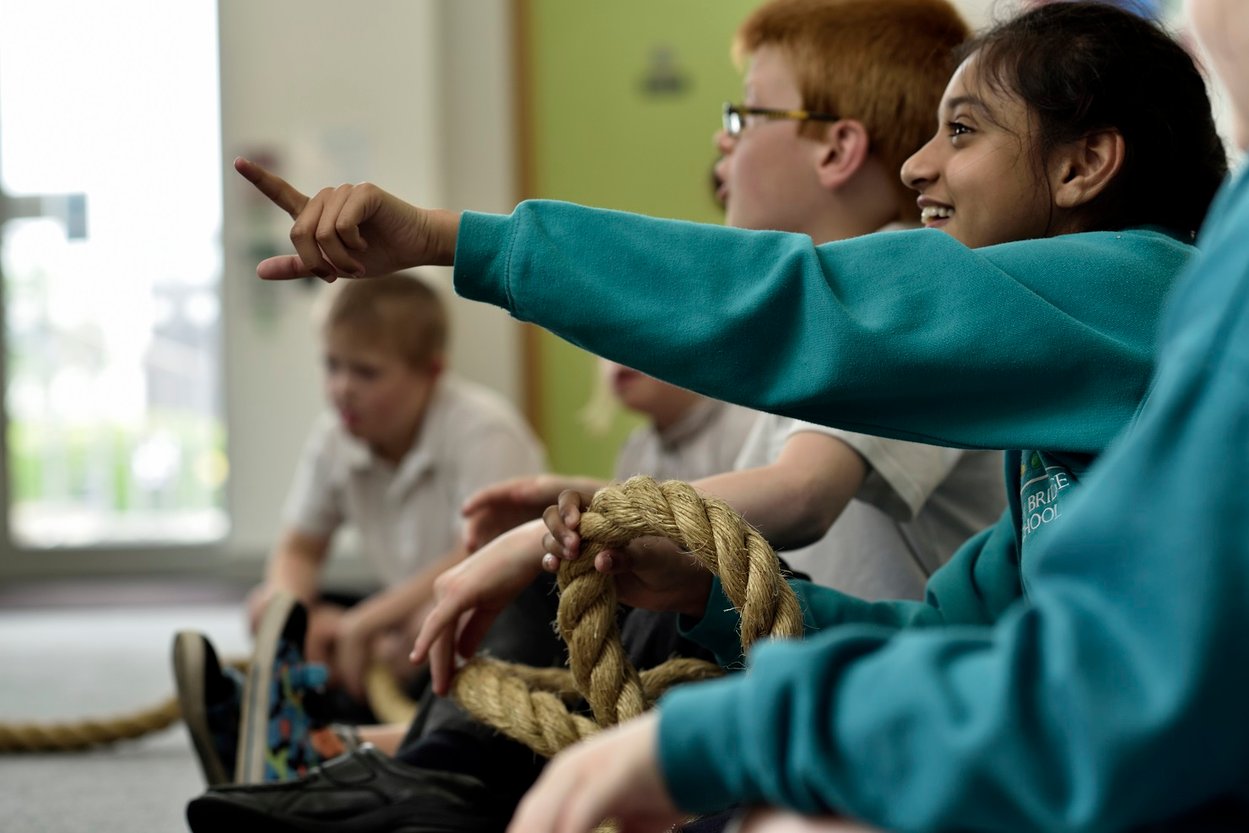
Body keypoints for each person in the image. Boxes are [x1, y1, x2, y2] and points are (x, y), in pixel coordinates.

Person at [231, 1, 1238, 829]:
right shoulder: (1056, 434)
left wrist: (456, 241)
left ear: (1081, 166)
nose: (920, 168)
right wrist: (708, 594)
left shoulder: (1140, 280)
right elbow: (940, 635)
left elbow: (814, 315)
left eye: (961, 134)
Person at [175, 273, 546, 785]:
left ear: (431, 372)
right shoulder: (334, 437)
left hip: (486, 609)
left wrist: (369, 622)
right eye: (332, 365)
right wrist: (292, 621)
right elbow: (300, 550)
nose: (342, 388)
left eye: (367, 372)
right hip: (400, 618)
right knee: (272, 605)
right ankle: (283, 718)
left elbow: (482, 553)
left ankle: (311, 739)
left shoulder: (484, 431)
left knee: (449, 629)